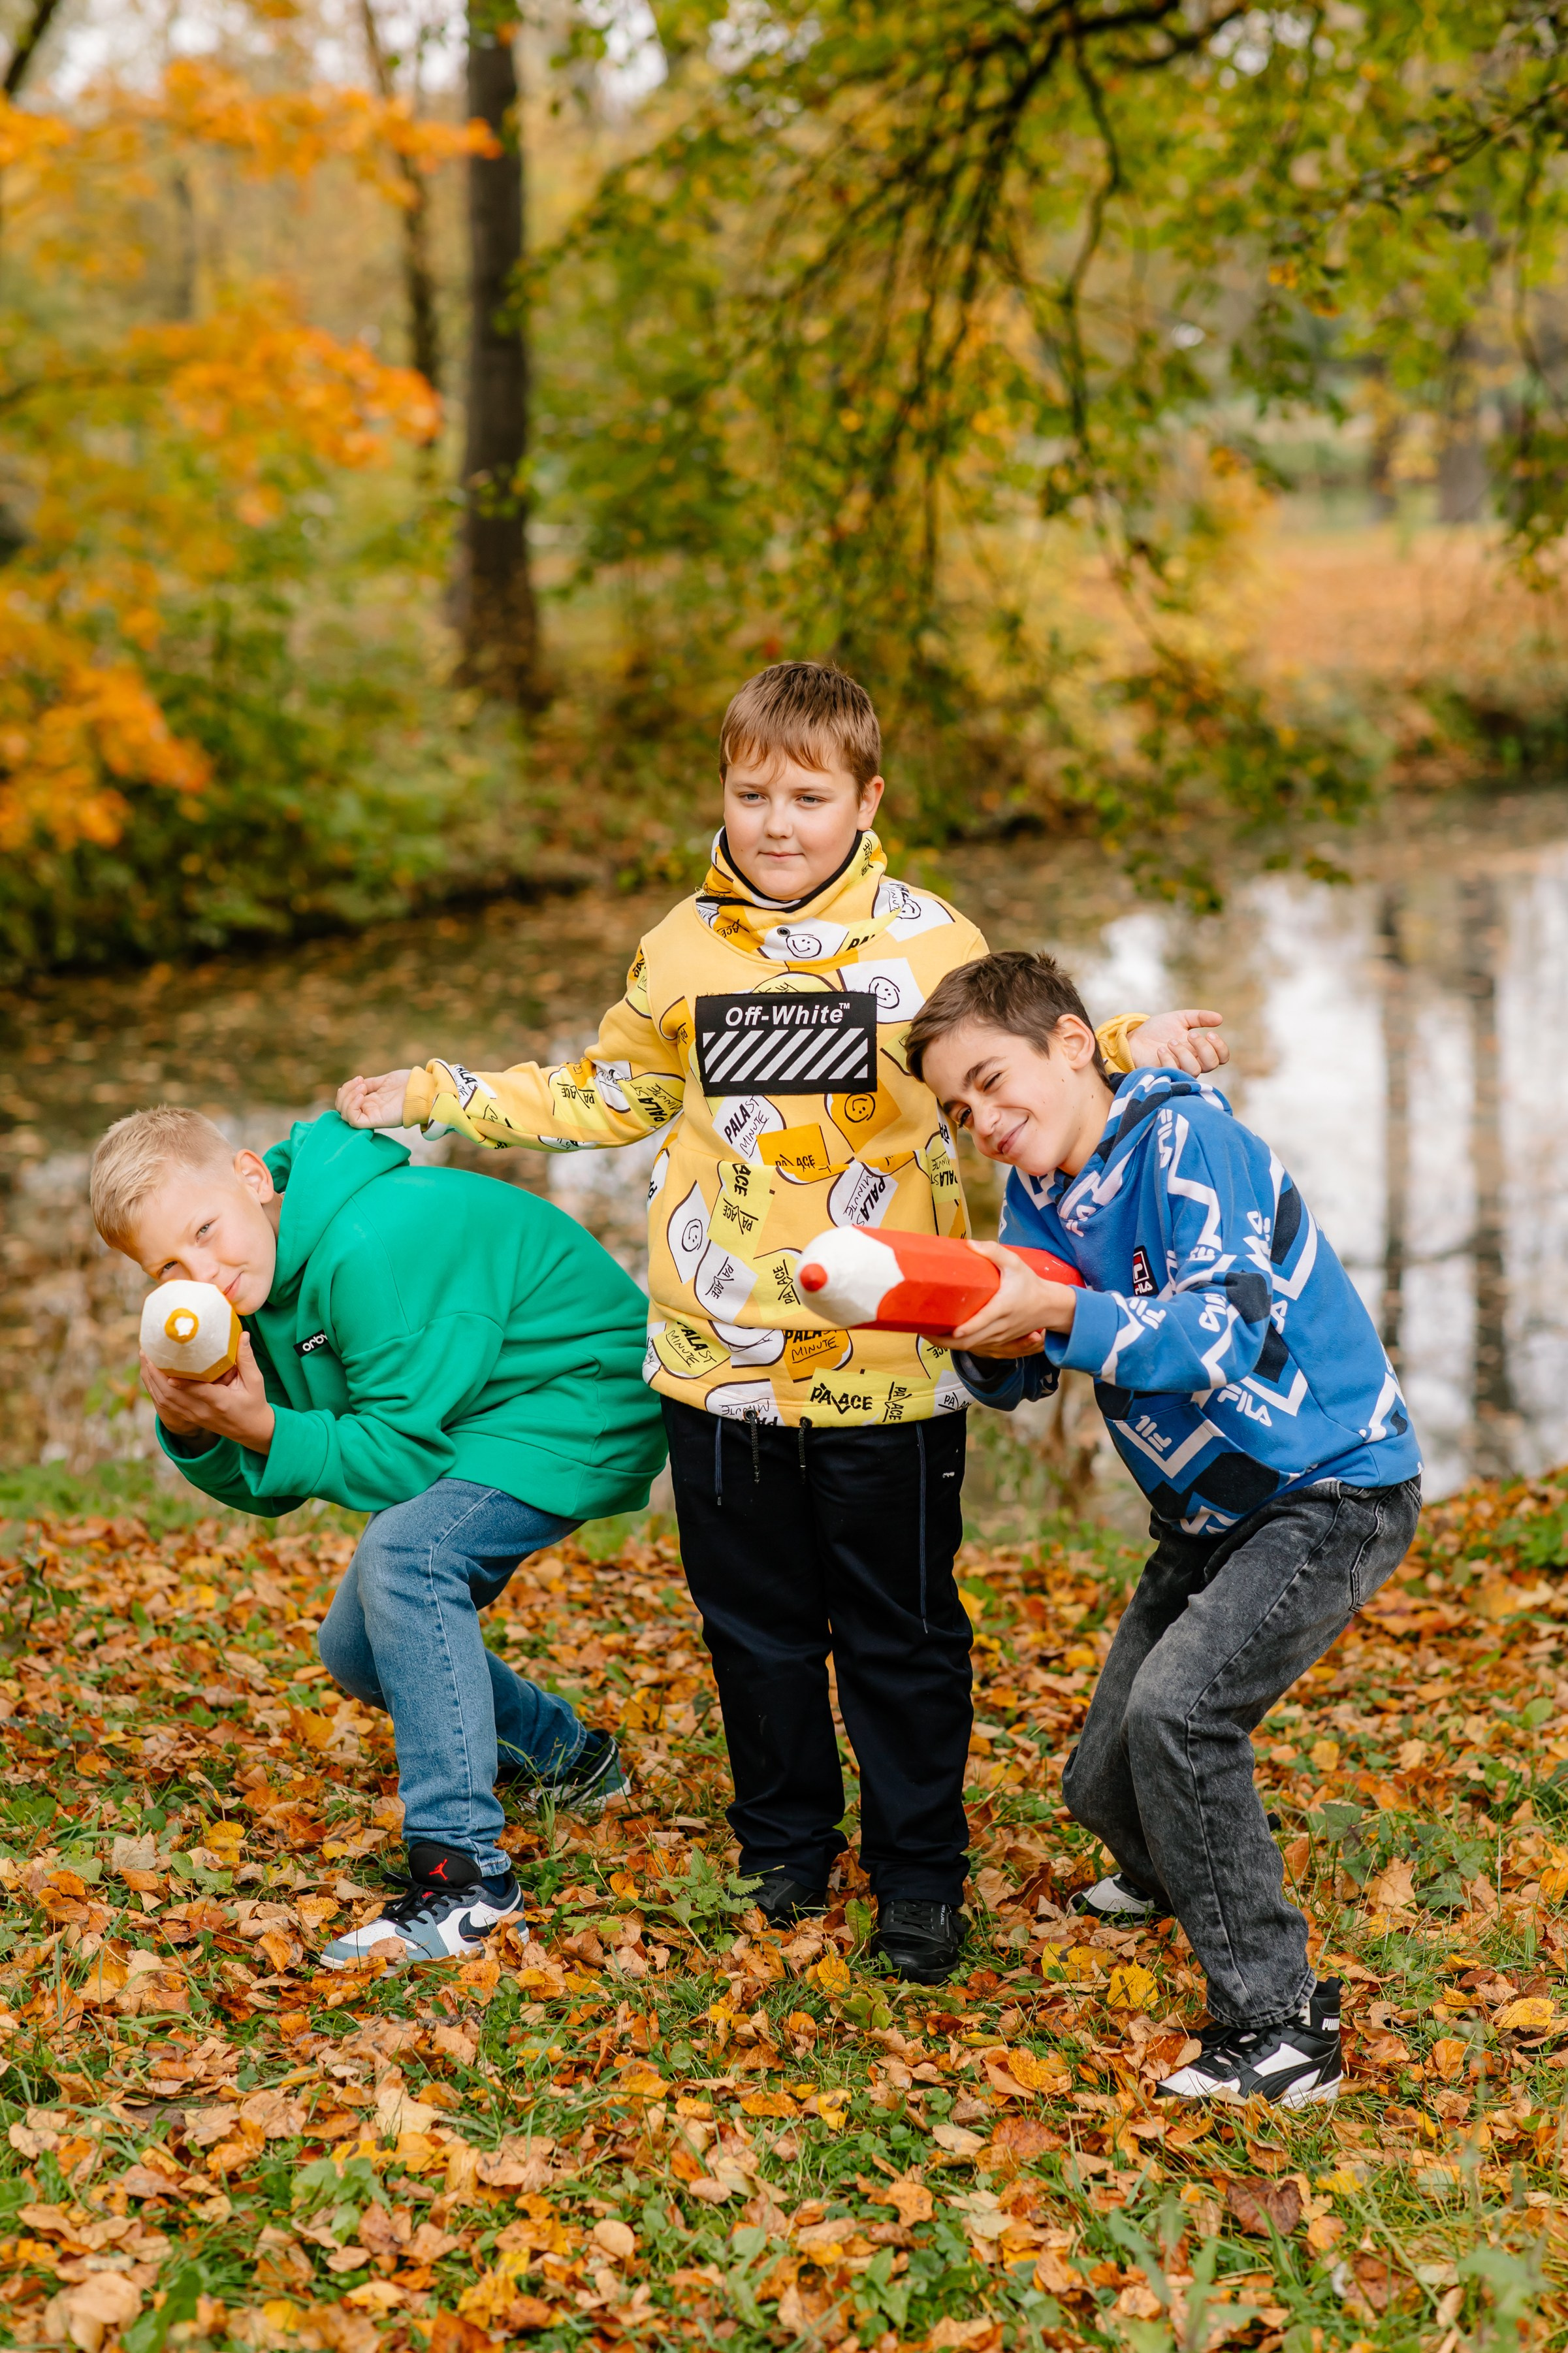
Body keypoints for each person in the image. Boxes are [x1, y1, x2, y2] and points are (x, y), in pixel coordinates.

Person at [337, 660, 1230, 1984]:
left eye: (809, 797)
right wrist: (436, 1093)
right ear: (723, 793)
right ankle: (784, 1851)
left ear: (866, 801)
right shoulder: (680, 949)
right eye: (752, 793)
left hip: (892, 1361)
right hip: (717, 1365)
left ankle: (919, 1878)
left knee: (899, 1636)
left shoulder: (929, 940)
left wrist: (1131, 1039)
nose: (777, 822)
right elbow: (605, 1094)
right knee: (753, 1631)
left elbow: (1023, 1048)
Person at [904, 949, 1422, 2097]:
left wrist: (1054, 1303)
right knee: (1100, 1785)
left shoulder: (1193, 1143)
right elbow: (1029, 1365)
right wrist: (973, 1329)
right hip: (1202, 1512)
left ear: (1071, 1044)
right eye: (957, 1110)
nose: (981, 1120)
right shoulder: (1039, 1190)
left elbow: (1216, 1335)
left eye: (990, 1081)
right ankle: (1178, 1869)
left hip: (1327, 1487)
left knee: (1179, 1715)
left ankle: (1283, 2026)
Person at [90, 1103, 665, 1968]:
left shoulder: (367, 1244)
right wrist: (202, 1427)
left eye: (205, 1231)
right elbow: (284, 1482)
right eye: (168, 1265)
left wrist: (261, 1426)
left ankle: (464, 1878)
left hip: (574, 1395)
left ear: (251, 1176)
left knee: (409, 1553)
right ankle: (568, 1758)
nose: (201, 1272)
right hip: (473, 1411)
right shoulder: (254, 1280)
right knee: (356, 1647)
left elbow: (397, 1456)